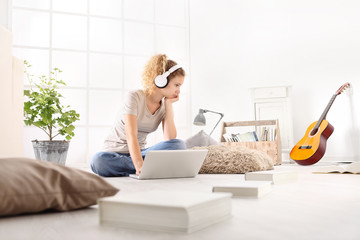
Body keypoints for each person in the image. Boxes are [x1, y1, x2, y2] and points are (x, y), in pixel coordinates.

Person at [90, 54, 187, 177]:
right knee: (97, 161)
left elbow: (170, 139)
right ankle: (144, 167)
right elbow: (131, 135)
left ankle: (130, 168)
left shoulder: (163, 105)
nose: (178, 91)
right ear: (161, 80)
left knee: (179, 145)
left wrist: (168, 105)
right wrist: (139, 164)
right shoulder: (135, 97)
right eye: (176, 85)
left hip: (140, 153)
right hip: (114, 154)